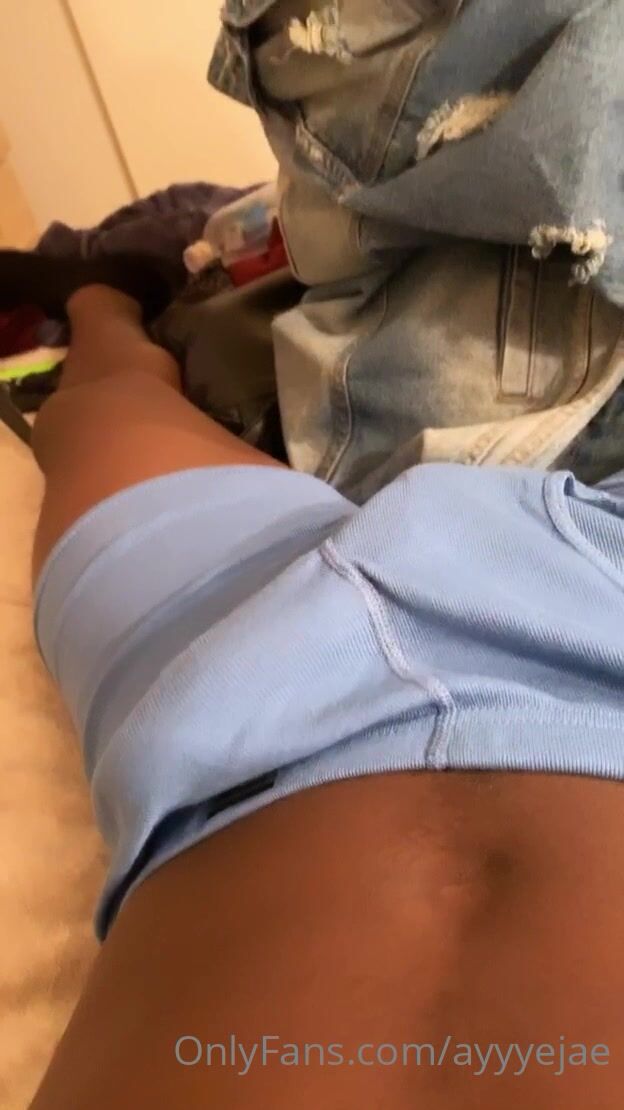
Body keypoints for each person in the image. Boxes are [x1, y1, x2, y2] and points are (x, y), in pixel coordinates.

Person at [6, 264, 620, 1109]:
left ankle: (99, 296)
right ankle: (105, 291)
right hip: (601, 626)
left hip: (227, 684)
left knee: (93, 410)